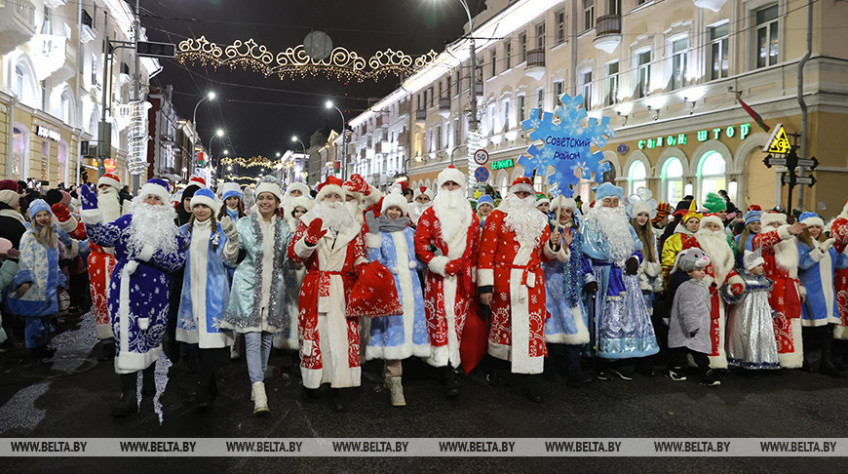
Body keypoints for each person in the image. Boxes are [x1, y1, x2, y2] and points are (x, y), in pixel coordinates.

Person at [80, 179, 186, 417]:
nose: (151, 202)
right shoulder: (127, 221)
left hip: (156, 294)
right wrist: (90, 211)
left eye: (157, 199)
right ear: (140, 200)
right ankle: (128, 395)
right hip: (125, 291)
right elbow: (101, 236)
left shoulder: (172, 231)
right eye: (148, 197)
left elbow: (177, 262)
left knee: (151, 337)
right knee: (126, 338)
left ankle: (149, 385)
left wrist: (148, 254)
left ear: (165, 204)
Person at [288, 176, 367, 412]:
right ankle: (312, 381)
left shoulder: (353, 226)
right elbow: (294, 258)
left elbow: (360, 254)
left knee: (342, 338)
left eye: (337, 197)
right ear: (320, 200)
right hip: (316, 285)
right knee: (316, 336)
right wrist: (308, 240)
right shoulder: (307, 221)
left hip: (344, 287)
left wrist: (363, 268)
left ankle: (338, 387)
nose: (333, 201)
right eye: (328, 196)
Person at [478, 177, 553, 402]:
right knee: (504, 327)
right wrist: (485, 286)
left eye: (526, 195)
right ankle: (497, 370)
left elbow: (546, 256)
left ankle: (532, 380)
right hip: (505, 280)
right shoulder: (497, 217)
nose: (522, 198)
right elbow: (486, 252)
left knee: (531, 329)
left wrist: (556, 244)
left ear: (532, 197)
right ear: (511, 195)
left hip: (532, 283)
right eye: (518, 194)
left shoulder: (542, 220)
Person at [221, 179, 291, 416]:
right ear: (256, 201)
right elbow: (230, 259)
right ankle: (259, 391)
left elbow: (290, 261)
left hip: (273, 291)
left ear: (277, 202)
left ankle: (256, 380)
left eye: (269, 198)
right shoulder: (243, 224)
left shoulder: (284, 228)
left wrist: (307, 244)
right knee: (251, 340)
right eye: (261, 198)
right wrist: (231, 241)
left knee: (265, 340)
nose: (265, 201)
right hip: (248, 289)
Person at [414, 166, 481, 398]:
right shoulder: (429, 214)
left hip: (463, 279)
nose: (451, 189)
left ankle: (455, 362)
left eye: (455, 184)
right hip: (438, 279)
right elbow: (421, 244)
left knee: (459, 322)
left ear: (462, 187)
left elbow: (476, 249)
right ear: (440, 187)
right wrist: (440, 263)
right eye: (447, 185)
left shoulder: (472, 216)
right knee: (440, 320)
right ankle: (445, 367)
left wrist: (472, 276)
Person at [581, 183, 659, 380]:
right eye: (607, 201)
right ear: (599, 203)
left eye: (615, 201)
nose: (612, 205)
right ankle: (601, 360)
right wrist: (588, 277)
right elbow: (582, 256)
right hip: (602, 277)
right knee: (604, 320)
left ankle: (625, 356)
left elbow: (636, 248)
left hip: (627, 280)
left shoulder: (625, 223)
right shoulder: (588, 224)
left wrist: (635, 259)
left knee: (627, 319)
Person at [363, 192, 429, 406]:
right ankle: (396, 385)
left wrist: (415, 265)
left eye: (397, 209)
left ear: (403, 211)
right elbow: (374, 261)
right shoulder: (378, 233)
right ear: (384, 211)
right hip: (391, 288)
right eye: (390, 209)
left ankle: (388, 377)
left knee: (407, 331)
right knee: (393, 333)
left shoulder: (411, 232)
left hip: (413, 290)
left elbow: (420, 258)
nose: (393, 212)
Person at [176, 189, 235, 411]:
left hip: (215, 294)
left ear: (212, 208)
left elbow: (231, 261)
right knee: (199, 343)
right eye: (197, 206)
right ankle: (210, 385)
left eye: (205, 206)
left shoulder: (221, 231)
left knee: (210, 343)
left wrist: (233, 241)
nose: (200, 210)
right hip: (191, 293)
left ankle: (203, 389)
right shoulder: (183, 232)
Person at [682, 213, 746, 369]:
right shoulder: (693, 242)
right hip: (699, 292)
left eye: (715, 226)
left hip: (717, 294)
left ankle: (715, 360)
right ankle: (698, 362)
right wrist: (705, 281)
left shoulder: (724, 245)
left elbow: (727, 269)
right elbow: (687, 265)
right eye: (708, 226)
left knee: (717, 327)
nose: (712, 229)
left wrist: (735, 281)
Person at [542, 196, 594, 388]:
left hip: (570, 289)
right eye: (560, 210)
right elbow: (548, 257)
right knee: (551, 329)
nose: (564, 214)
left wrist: (587, 278)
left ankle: (574, 372)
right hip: (550, 287)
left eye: (568, 211)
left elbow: (579, 260)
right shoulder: (547, 231)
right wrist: (560, 245)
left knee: (573, 328)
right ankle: (549, 370)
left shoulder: (576, 234)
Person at [6, 200, 64, 360]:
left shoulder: (51, 234)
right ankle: (34, 349)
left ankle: (42, 345)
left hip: (49, 285)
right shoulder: (28, 236)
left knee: (45, 318)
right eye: (39, 215)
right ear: (33, 217)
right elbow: (24, 260)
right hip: (34, 285)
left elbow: (55, 260)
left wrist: (59, 277)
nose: (43, 218)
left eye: (45, 214)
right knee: (34, 320)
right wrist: (25, 280)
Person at [752, 211, 807, 369]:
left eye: (778, 224)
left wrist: (798, 288)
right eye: (772, 224)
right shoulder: (760, 239)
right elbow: (763, 241)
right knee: (772, 323)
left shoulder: (790, 243)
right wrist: (786, 231)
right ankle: (770, 359)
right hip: (770, 288)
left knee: (790, 321)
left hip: (789, 287)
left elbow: (793, 270)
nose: (776, 227)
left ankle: (787, 358)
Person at [797, 212, 848, 376]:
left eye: (817, 226)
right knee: (807, 327)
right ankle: (802, 359)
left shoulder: (826, 242)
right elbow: (802, 264)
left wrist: (843, 248)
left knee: (828, 326)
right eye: (810, 226)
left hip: (827, 291)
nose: (814, 230)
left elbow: (841, 264)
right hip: (810, 290)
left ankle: (826, 362)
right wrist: (819, 250)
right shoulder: (800, 244)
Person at [667, 249, 720, 386]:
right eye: (698, 270)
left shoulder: (699, 284)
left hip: (697, 326)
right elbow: (688, 309)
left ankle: (704, 373)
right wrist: (692, 326)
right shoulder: (688, 287)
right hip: (690, 327)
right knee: (685, 351)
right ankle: (678, 369)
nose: (703, 272)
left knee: (695, 351)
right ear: (689, 271)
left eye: (703, 269)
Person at [723, 250, 780, 371]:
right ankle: (745, 361)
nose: (762, 268)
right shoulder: (742, 281)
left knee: (761, 336)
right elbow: (732, 295)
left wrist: (769, 311)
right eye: (759, 265)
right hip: (745, 315)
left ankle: (761, 360)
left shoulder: (764, 281)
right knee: (746, 335)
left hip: (761, 315)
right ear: (751, 266)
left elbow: (764, 299)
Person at [88, 173, 125, 359]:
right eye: (101, 186)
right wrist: (65, 220)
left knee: (122, 299)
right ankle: (106, 340)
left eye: (107, 186)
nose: (103, 189)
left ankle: (122, 336)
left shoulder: (126, 209)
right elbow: (80, 230)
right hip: (98, 263)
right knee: (100, 300)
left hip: (120, 262)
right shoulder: (92, 210)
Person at [274, 195, 314, 358]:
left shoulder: (313, 230)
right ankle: (285, 342)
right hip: (288, 274)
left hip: (306, 274)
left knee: (302, 308)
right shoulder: (287, 228)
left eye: (303, 211)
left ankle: (302, 343)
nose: (299, 214)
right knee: (288, 307)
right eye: (296, 211)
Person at [661, 201, 701, 285]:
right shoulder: (674, 239)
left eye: (697, 222)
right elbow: (668, 262)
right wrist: (665, 280)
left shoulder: (703, 238)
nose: (694, 225)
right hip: (680, 275)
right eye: (691, 222)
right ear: (685, 223)